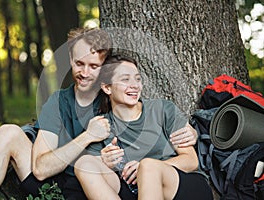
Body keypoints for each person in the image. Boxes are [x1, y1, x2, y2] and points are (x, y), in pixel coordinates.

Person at [0, 28, 197, 200]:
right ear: (70, 61)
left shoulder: (115, 97)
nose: (85, 73)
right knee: (8, 132)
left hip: (100, 185)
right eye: (79, 64)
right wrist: (87, 136)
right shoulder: (58, 102)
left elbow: (145, 117)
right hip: (55, 183)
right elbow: (40, 169)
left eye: (94, 66)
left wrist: (187, 132)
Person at [74, 55, 213, 200]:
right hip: (134, 191)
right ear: (107, 87)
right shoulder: (102, 125)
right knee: (84, 164)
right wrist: (104, 161)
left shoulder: (162, 109)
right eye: (125, 79)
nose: (135, 85)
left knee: (148, 167)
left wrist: (144, 169)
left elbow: (191, 161)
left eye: (137, 79)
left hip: (180, 186)